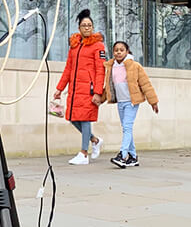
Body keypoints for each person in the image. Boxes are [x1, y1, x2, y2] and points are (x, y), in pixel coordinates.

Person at [53, 9, 106, 165]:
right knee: (72, 117)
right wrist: (59, 88)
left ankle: (84, 153)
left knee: (85, 119)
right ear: (79, 28)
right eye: (84, 25)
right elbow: (68, 69)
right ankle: (95, 140)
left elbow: (100, 70)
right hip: (75, 90)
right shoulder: (74, 46)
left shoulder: (98, 46)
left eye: (89, 25)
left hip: (88, 90)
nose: (87, 28)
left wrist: (97, 92)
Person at [100, 40, 159, 168]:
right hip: (120, 102)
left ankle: (122, 155)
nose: (118, 52)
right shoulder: (111, 67)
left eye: (122, 50)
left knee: (127, 127)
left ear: (127, 52)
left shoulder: (135, 66)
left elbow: (145, 84)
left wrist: (153, 101)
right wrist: (100, 100)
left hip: (132, 102)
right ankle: (133, 157)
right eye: (116, 50)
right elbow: (108, 87)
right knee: (126, 128)